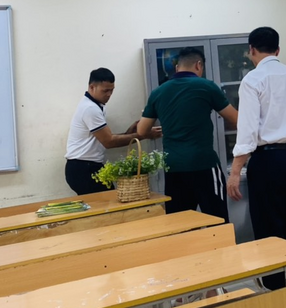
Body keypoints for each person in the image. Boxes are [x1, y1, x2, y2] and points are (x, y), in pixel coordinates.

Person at [226, 27, 286, 308]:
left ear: (251, 50)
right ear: (278, 50)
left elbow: (247, 131)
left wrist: (235, 172)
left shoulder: (253, 79)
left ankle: (279, 301)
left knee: (269, 231)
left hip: (268, 161)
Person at [138, 47, 238, 221]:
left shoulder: (158, 92)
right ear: (199, 65)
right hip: (203, 164)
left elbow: (141, 130)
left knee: (180, 223)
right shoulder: (207, 86)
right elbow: (236, 119)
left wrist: (153, 132)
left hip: (174, 167)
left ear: (177, 67)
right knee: (217, 221)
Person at [65, 67, 161, 195]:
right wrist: (143, 134)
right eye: (105, 90)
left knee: (108, 201)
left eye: (112, 90)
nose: (109, 94)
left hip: (86, 166)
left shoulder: (96, 105)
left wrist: (128, 133)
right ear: (92, 87)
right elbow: (109, 141)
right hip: (83, 168)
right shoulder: (90, 108)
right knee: (108, 202)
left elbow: (105, 137)